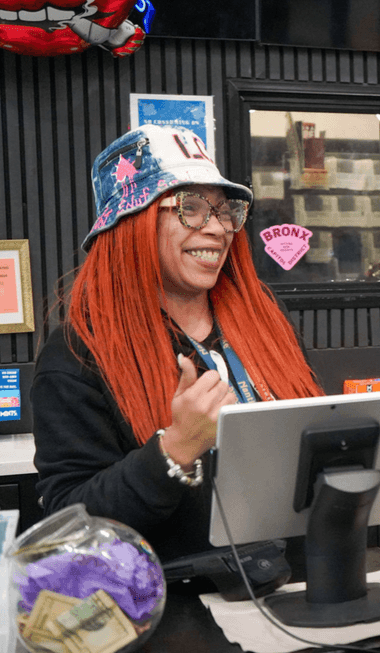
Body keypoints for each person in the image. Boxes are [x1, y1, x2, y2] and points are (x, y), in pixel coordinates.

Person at [31, 124, 324, 563]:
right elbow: (70, 527)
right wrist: (175, 450)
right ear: (131, 225)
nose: (219, 229)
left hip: (298, 586)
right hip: (176, 612)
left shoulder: (265, 318)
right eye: (190, 207)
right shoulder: (77, 356)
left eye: (225, 210)